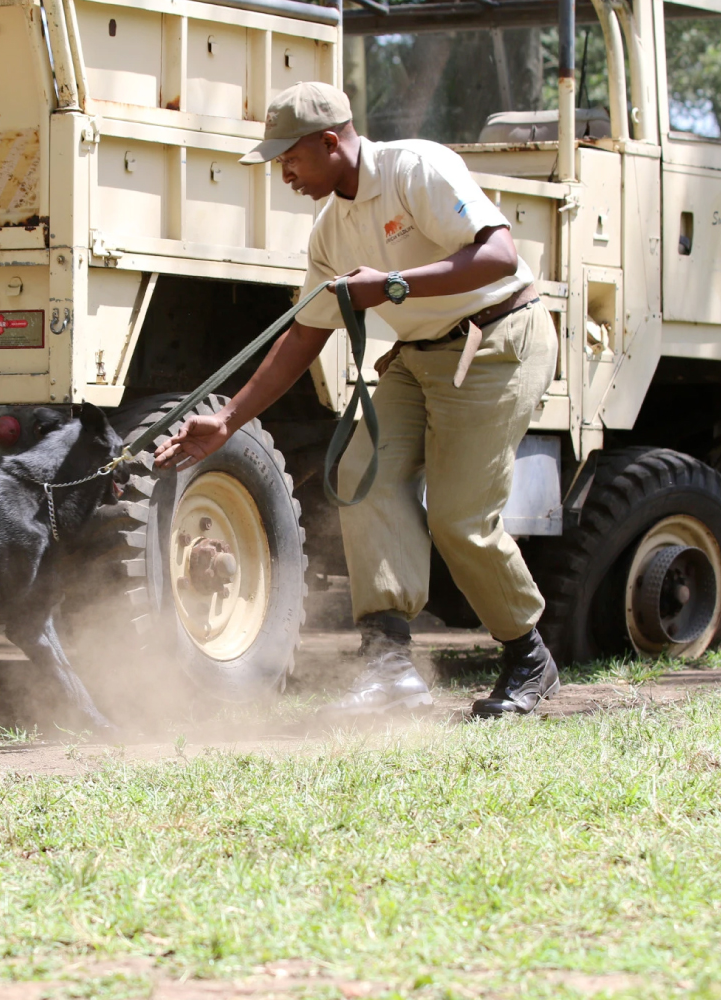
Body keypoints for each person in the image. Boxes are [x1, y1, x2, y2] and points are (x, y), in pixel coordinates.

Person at [154, 81, 560, 719]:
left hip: (496, 341)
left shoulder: (413, 169)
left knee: (459, 519)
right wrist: (229, 420)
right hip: (420, 357)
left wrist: (394, 286)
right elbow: (304, 334)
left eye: (289, 157)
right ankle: (390, 664)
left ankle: (528, 655)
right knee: (359, 474)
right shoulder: (330, 231)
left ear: (330, 141)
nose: (283, 172)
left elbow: (500, 255)